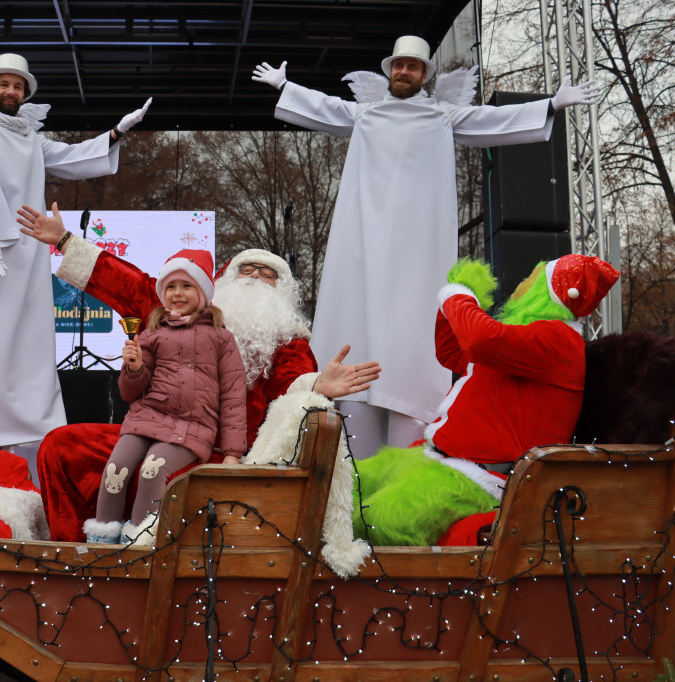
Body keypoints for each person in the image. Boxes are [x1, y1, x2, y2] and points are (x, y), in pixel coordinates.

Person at [252, 36, 600, 459]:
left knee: (413, 325)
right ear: (390, 70)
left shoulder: (442, 116)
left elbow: (492, 119)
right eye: (398, 65)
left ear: (424, 76)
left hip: (419, 241)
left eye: (412, 67)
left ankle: (410, 421)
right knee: (357, 313)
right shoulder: (366, 114)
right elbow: (325, 107)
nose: (403, 72)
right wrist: (285, 87)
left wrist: (550, 105)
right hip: (363, 234)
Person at [15, 203, 381, 541]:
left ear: (282, 292)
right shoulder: (177, 309)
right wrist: (64, 240)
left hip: (225, 451)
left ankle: (139, 545)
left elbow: (291, 381)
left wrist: (318, 384)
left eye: (268, 274)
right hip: (154, 430)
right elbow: (125, 282)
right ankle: (79, 552)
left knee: (156, 470)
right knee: (62, 446)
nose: (255, 277)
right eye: (246, 269)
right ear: (220, 281)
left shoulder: (288, 339)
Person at [0, 53, 152, 457]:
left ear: (24, 94)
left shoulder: (32, 140)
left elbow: (72, 157)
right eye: (4, 84)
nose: (11, 91)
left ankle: (33, 423)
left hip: (30, 247)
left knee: (29, 333)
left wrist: (115, 134)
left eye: (18, 86)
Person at [351, 254, 620, 546]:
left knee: (373, 519)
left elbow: (480, 340)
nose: (520, 286)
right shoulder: (529, 339)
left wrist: (460, 296)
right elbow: (453, 353)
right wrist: (454, 298)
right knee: (348, 481)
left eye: (530, 280)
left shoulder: (557, 340)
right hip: (440, 460)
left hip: (478, 479)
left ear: (547, 292)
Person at [82, 249, 247, 544]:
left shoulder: (222, 338)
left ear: (203, 292)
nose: (177, 293)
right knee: (114, 471)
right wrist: (133, 368)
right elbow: (129, 392)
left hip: (191, 427)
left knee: (151, 470)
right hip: (145, 420)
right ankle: (100, 544)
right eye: (170, 286)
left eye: (186, 286)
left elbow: (234, 395)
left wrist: (233, 453)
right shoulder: (151, 332)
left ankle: (138, 544)